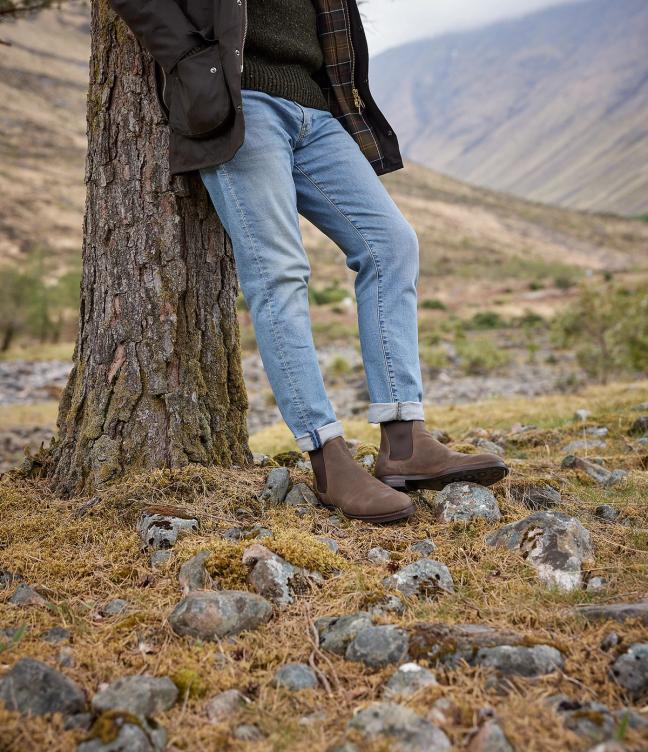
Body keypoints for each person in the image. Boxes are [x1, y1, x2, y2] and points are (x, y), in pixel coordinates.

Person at [108, 0, 509, 524]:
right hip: (239, 98)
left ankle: (404, 438)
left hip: (315, 109)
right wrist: (188, 58)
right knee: (279, 272)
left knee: (391, 245)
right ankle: (327, 458)